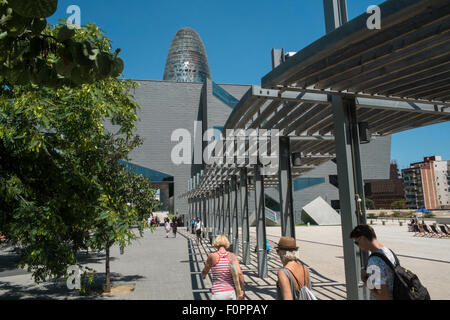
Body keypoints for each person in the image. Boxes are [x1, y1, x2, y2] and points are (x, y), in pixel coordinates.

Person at [350, 224, 396, 300]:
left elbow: (382, 295)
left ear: (363, 238)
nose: (358, 246)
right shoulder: (388, 251)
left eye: (356, 242)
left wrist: (365, 280)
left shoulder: (374, 261)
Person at [201, 235, 244, 300]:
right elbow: (239, 273)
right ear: (226, 243)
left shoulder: (212, 256)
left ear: (216, 243)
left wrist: (203, 275)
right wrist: (242, 289)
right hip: (231, 292)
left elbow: (205, 270)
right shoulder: (232, 256)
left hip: (218, 293)